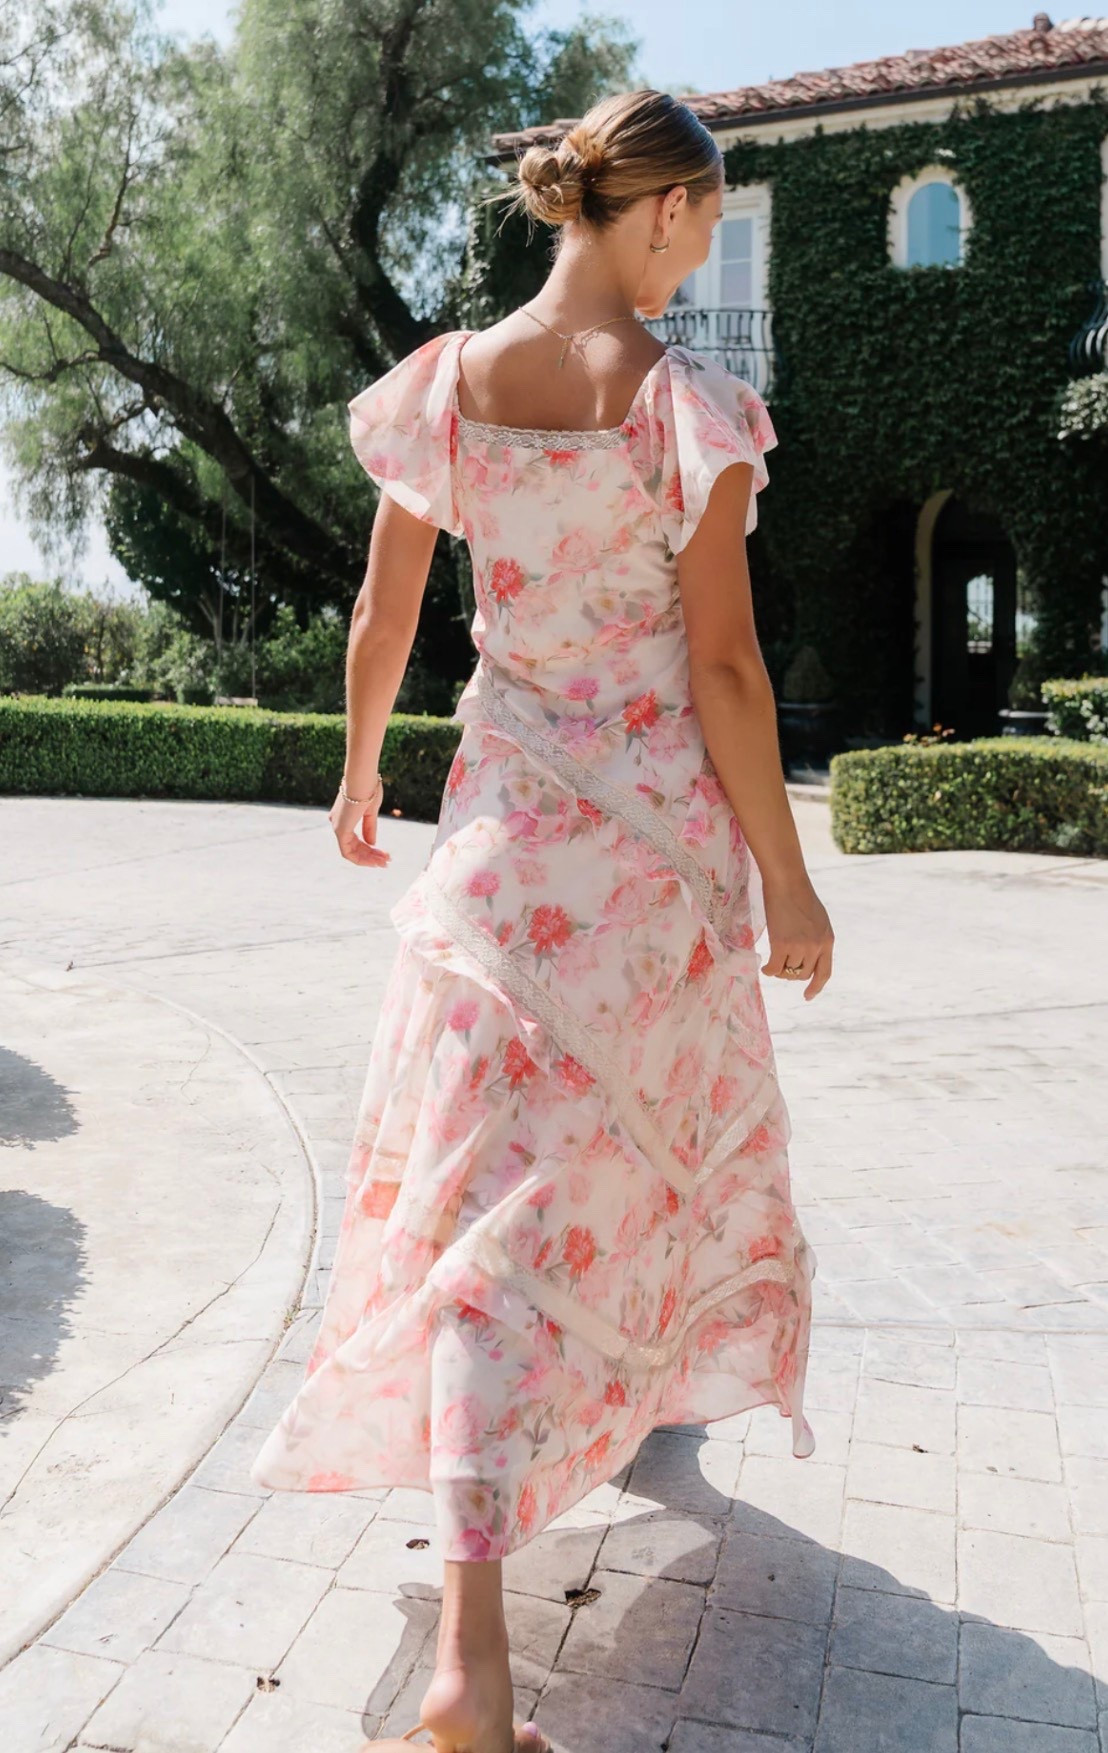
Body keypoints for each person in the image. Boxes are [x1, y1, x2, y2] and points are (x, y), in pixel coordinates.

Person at [251, 86, 834, 1753]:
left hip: (503, 864)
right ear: (662, 210)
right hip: (650, 884)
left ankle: (474, 1652)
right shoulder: (685, 409)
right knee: (615, 1179)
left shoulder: (449, 384)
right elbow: (724, 666)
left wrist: (359, 769)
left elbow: (386, 610)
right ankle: (517, 1589)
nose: (697, 264)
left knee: (485, 1218)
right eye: (702, 230)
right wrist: (791, 877)